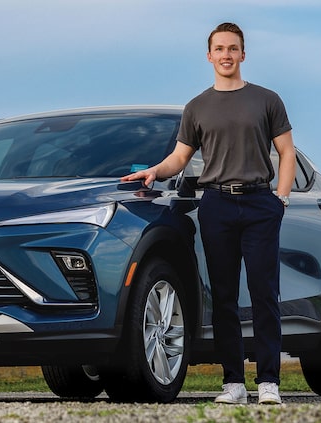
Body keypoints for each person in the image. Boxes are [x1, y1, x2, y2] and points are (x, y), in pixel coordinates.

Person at [121, 22, 294, 405]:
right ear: (209, 56)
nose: (227, 55)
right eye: (220, 49)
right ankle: (233, 384)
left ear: (243, 55)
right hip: (215, 205)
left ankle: (269, 383)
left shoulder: (267, 100)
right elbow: (180, 158)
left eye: (233, 49)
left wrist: (280, 199)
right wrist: (153, 170)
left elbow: (287, 152)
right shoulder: (196, 107)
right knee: (225, 296)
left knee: (265, 293)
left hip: (260, 204)